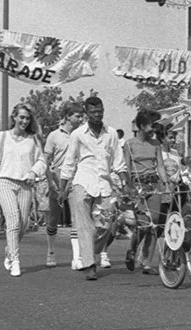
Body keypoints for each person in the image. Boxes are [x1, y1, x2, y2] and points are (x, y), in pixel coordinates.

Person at [59, 96, 126, 281]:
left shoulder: (111, 134)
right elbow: (70, 162)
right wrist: (62, 189)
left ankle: (89, 250)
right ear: (86, 114)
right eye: (93, 112)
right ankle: (89, 264)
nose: (97, 115)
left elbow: (119, 163)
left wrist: (125, 183)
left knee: (106, 225)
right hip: (82, 182)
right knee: (84, 226)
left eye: (100, 111)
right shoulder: (78, 134)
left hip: (104, 184)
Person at [0, 103, 48, 278]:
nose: (24, 121)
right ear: (14, 117)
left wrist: (33, 172)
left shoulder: (33, 139)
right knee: (13, 220)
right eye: (21, 117)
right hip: (5, 181)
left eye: (27, 118)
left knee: (23, 224)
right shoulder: (2, 136)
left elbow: (42, 161)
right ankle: (15, 260)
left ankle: (9, 249)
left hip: (25, 184)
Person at [123, 109, 170, 275]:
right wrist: (128, 187)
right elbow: (127, 167)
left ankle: (146, 262)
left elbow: (161, 166)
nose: (154, 128)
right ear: (142, 126)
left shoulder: (156, 144)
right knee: (143, 225)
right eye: (151, 125)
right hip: (138, 187)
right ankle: (132, 249)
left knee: (154, 223)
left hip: (154, 185)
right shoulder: (129, 144)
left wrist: (166, 184)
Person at [43, 102, 84, 267]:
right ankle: (51, 250)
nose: (81, 119)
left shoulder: (81, 134)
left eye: (82, 116)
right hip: (57, 179)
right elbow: (46, 160)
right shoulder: (54, 135)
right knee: (53, 219)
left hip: (75, 179)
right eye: (77, 116)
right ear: (68, 117)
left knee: (76, 218)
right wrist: (50, 182)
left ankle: (77, 257)